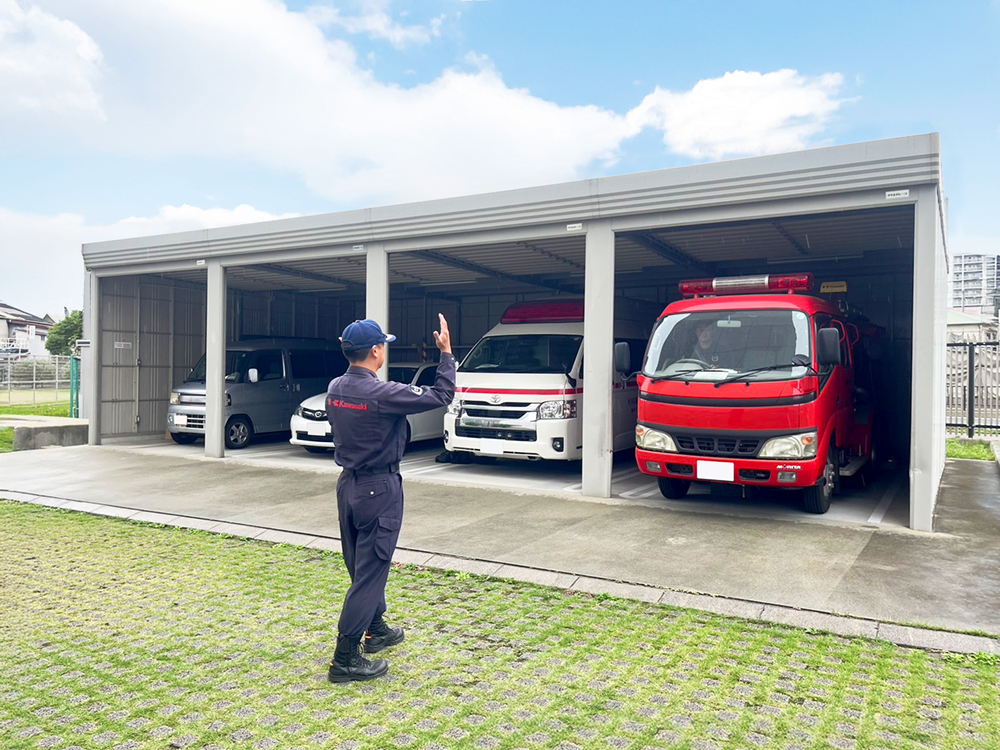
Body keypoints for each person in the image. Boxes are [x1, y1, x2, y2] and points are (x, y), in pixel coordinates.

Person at [325, 315, 456, 683]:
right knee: (370, 572)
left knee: (361, 566)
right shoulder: (381, 393)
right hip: (379, 489)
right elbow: (441, 396)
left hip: (348, 486)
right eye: (384, 344)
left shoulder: (336, 387)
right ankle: (346, 658)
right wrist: (446, 354)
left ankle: (376, 628)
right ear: (376, 351)